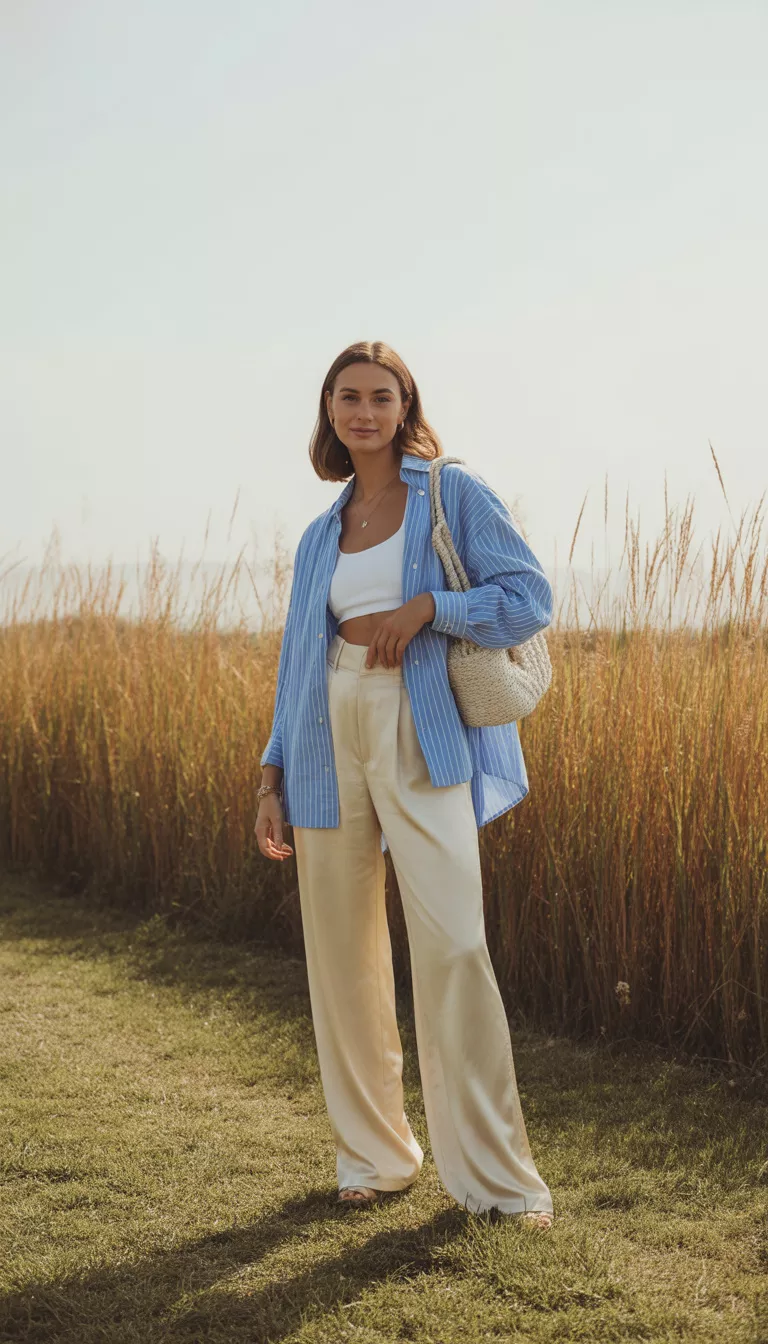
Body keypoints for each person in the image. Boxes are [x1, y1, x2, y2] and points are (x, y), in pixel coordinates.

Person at [254, 340, 554, 1230]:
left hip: (419, 726)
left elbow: (529, 594)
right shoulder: (321, 533)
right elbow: (295, 665)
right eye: (347, 397)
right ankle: (374, 1159)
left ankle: (498, 1182)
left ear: (404, 404)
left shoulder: (451, 492)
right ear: (329, 412)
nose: (364, 412)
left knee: (455, 944)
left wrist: (430, 609)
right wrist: (271, 773)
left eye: (381, 396)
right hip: (323, 734)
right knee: (341, 956)